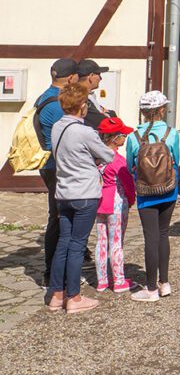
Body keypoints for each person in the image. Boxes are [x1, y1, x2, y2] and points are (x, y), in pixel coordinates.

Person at [46, 82, 113, 314]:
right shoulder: (84, 131)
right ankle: (74, 297)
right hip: (85, 193)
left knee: (64, 243)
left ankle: (56, 295)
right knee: (77, 245)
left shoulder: (57, 127)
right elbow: (108, 155)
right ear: (82, 106)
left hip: (63, 193)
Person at [126, 91, 180, 302]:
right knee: (163, 233)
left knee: (151, 236)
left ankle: (150, 288)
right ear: (161, 110)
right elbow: (176, 158)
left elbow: (130, 164)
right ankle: (164, 282)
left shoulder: (133, 136)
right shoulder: (171, 133)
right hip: (168, 189)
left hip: (146, 190)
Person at [35, 58, 78, 283]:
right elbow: (68, 134)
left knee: (59, 217)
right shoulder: (57, 104)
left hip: (49, 164)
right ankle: (52, 273)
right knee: (60, 218)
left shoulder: (44, 96)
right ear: (70, 78)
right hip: (56, 165)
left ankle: (55, 270)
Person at [94, 117, 136, 293]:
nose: (125, 138)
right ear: (115, 138)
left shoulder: (95, 157)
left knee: (101, 241)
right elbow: (128, 184)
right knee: (116, 241)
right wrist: (131, 199)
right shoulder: (118, 160)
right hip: (117, 201)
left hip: (99, 200)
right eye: (123, 135)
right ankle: (118, 280)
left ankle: (102, 280)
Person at [76, 59, 117, 129]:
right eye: (99, 74)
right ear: (91, 76)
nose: (101, 78)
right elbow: (102, 121)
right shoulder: (79, 97)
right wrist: (109, 114)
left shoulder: (85, 95)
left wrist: (105, 113)